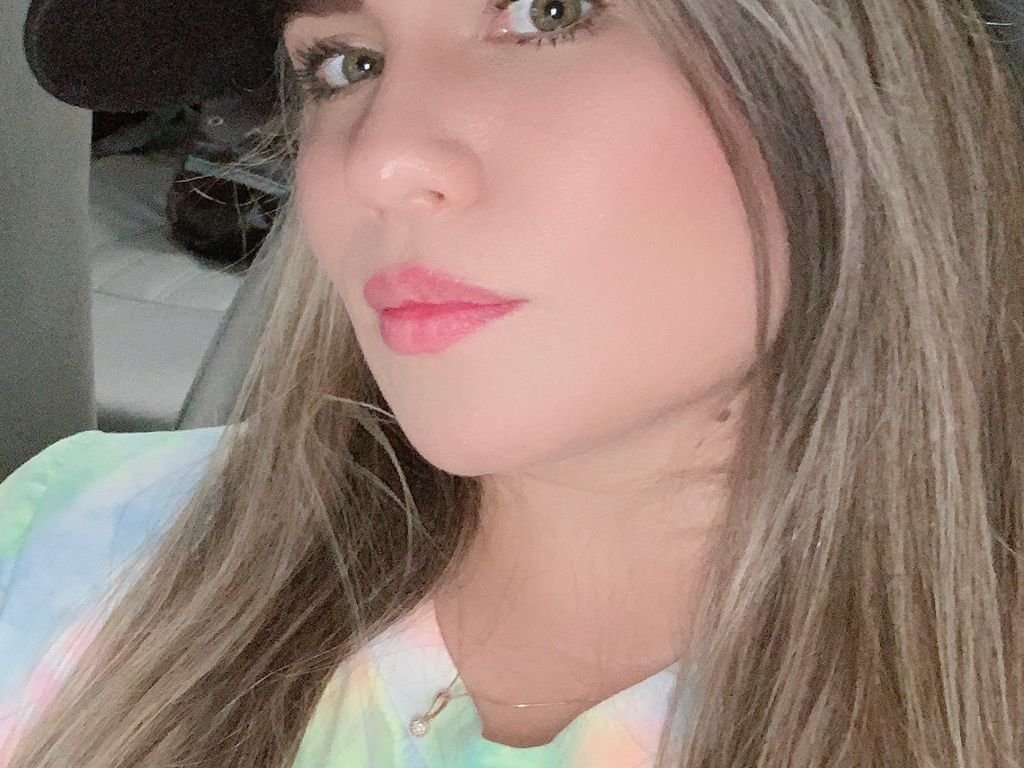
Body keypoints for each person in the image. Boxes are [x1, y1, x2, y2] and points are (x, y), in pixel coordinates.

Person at [3, 0, 1023, 765]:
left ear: (858, 80)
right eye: (346, 62)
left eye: (548, 12)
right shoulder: (82, 549)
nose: (380, 160)